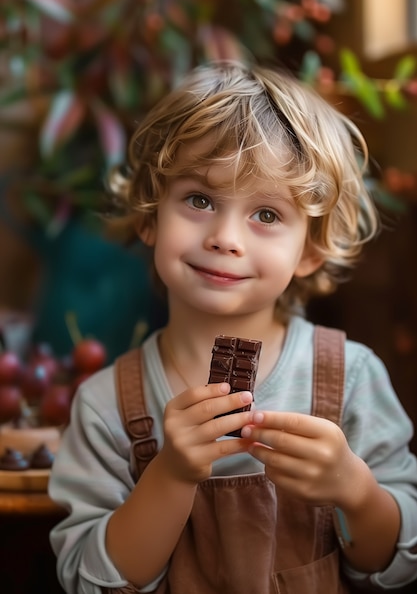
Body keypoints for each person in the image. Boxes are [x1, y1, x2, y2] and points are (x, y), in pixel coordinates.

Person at [48, 61, 417, 594]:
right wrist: (171, 475)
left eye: (266, 214)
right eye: (199, 200)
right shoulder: (105, 407)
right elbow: (91, 581)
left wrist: (354, 490)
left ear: (310, 250)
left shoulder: (352, 377)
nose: (225, 237)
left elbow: (396, 566)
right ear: (152, 216)